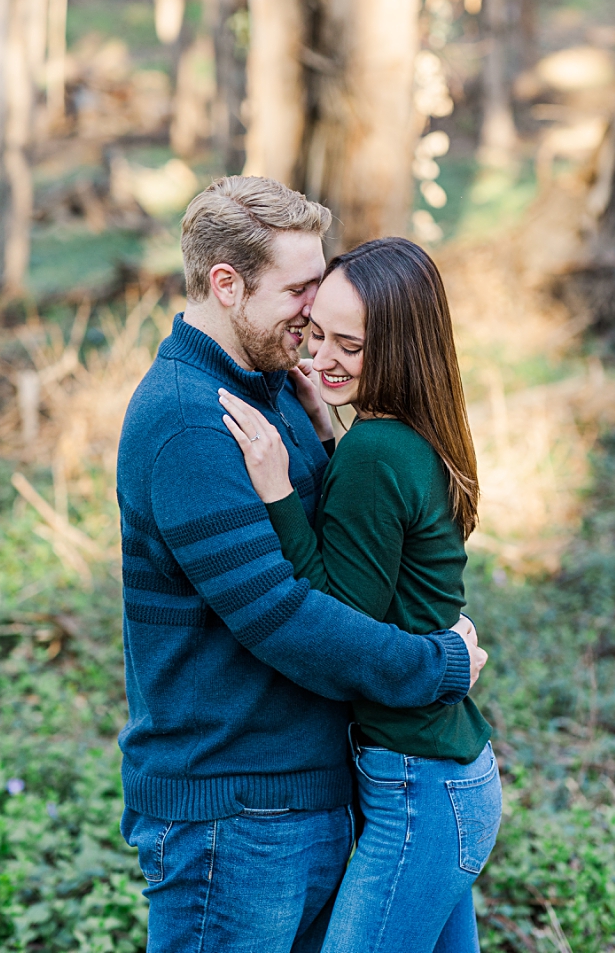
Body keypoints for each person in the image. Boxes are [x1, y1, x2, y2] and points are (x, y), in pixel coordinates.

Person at [115, 175, 487, 952]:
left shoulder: (277, 385)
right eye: (299, 288)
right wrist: (437, 664)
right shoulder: (189, 420)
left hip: (316, 794)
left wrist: (321, 439)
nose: (313, 313)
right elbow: (285, 617)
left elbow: (346, 547)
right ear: (227, 283)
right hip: (234, 813)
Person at [217, 236, 500, 953]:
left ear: (402, 349)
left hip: (420, 787)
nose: (321, 358)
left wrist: (279, 490)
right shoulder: (404, 437)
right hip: (442, 777)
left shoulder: (376, 452)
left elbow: (341, 618)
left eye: (352, 344)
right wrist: (325, 427)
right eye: (316, 334)